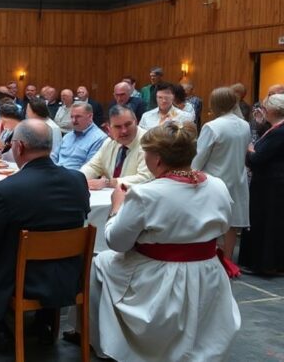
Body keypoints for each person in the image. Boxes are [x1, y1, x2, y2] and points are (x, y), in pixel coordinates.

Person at [88, 122, 240, 361]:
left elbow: (117, 242)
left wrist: (116, 208)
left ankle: (102, 339)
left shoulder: (146, 193)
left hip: (159, 276)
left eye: (146, 153)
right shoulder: (217, 185)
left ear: (157, 159)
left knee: (100, 262)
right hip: (208, 271)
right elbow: (223, 224)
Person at [0, 119, 90, 350]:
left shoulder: (5, 190)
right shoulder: (77, 180)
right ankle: (44, 324)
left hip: (21, 278)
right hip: (68, 273)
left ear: (19, 147)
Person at [192, 87, 250, 262]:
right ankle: (229, 260)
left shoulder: (212, 126)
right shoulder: (245, 124)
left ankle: (209, 258)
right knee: (232, 223)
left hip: (215, 180)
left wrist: (190, 174)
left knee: (210, 221)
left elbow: (199, 157)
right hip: (238, 178)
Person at [239, 93, 284, 274]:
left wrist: (250, 150)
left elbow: (258, 158)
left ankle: (264, 264)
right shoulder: (276, 128)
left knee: (266, 223)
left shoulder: (279, 132)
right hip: (272, 182)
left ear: (272, 110)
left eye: (264, 108)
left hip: (270, 184)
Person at [82, 105, 152, 190]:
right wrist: (79, 179)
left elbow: (146, 177)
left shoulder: (148, 142)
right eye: (118, 127)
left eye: (128, 124)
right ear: (109, 128)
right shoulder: (109, 142)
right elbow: (92, 167)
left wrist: (108, 183)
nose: (124, 131)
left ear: (136, 122)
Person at [51, 103, 107, 170]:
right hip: (55, 172)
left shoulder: (100, 138)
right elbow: (53, 156)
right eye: (72, 117)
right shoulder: (68, 136)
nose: (73, 120)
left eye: (78, 117)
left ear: (90, 116)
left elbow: (90, 168)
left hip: (75, 175)